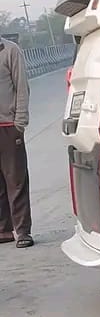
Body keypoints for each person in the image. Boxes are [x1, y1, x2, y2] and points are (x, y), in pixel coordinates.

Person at [0, 37, 32, 248]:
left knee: (16, 180)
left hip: (9, 126)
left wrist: (19, 123)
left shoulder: (10, 51)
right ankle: (3, 230)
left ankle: (22, 232)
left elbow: (22, 87)